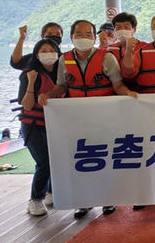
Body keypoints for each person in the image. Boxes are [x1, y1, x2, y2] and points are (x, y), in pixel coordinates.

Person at [39, 20, 138, 218]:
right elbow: (61, 86)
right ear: (71, 37)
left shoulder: (107, 58)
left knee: (105, 158)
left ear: (94, 37)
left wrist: (128, 93)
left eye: (88, 34)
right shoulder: (64, 60)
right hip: (77, 120)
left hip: (105, 118)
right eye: (79, 34)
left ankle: (108, 199)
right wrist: (48, 95)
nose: (83, 37)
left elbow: (118, 85)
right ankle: (83, 202)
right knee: (81, 160)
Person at [19, 39, 62, 216]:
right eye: (43, 50)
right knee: (44, 161)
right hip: (33, 125)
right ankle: (35, 199)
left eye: (52, 50)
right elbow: (27, 105)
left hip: (55, 124)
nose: (48, 53)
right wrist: (31, 82)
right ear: (37, 55)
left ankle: (50, 193)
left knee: (57, 160)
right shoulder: (30, 74)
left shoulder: (62, 75)